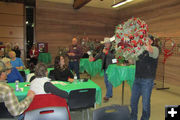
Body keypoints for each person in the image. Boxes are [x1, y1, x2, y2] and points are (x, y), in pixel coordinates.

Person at [130, 35, 159, 120]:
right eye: (143, 39)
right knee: (133, 102)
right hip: (137, 79)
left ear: (151, 42)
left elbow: (148, 48)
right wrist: (128, 53)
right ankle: (133, 118)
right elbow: (131, 61)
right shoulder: (139, 51)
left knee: (145, 103)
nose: (144, 41)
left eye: (147, 40)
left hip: (147, 80)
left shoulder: (155, 49)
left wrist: (139, 43)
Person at [89, 37, 115, 102]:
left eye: (107, 43)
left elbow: (114, 57)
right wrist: (94, 59)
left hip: (111, 68)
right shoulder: (103, 49)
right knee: (106, 81)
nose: (106, 45)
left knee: (109, 82)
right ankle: (110, 93)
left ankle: (107, 96)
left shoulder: (113, 50)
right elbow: (99, 55)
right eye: (105, 43)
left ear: (110, 43)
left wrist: (106, 53)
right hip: (105, 67)